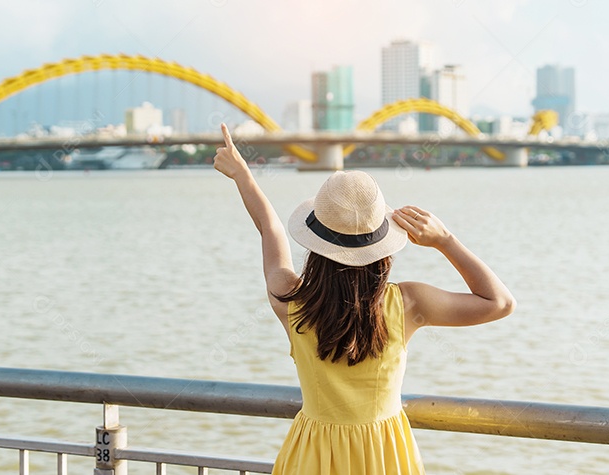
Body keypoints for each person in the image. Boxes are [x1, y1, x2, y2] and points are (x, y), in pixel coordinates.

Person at [213, 124, 516, 474]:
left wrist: (242, 174)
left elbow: (270, 228)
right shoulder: (409, 304)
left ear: (315, 245)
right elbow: (500, 303)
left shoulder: (290, 300)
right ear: (383, 247)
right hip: (384, 457)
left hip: (312, 457)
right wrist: (444, 240)